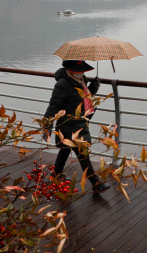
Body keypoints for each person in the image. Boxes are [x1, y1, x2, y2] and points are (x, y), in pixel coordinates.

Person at [43, 60, 110, 193]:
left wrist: (93, 88)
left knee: (66, 149)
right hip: (69, 123)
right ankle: (96, 183)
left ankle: (56, 174)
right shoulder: (63, 84)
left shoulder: (81, 80)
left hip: (79, 121)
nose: (83, 72)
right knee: (82, 153)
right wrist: (47, 125)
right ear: (70, 70)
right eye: (80, 70)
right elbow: (54, 106)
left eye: (83, 70)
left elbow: (83, 98)